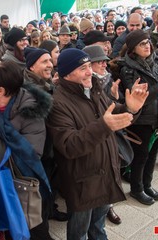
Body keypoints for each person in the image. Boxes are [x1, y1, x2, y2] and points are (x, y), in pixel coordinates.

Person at [46, 48, 148, 240]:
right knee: (80, 231)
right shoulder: (57, 103)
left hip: (106, 171)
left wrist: (130, 108)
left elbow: (111, 113)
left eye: (88, 66)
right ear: (67, 73)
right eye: (83, 68)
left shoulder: (93, 88)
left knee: (98, 225)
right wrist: (103, 126)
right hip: (83, 182)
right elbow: (69, 145)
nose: (89, 72)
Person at [0, 61, 53, 240]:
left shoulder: (31, 111)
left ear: (1, 91)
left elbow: (30, 158)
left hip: (25, 185)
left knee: (32, 230)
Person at [83, 45, 122, 225]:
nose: (104, 65)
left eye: (104, 61)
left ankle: (108, 207)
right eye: (98, 62)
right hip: (93, 139)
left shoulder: (107, 79)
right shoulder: (85, 84)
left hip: (109, 136)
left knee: (110, 173)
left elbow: (113, 108)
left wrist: (116, 97)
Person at [119, 29, 158, 205]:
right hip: (142, 120)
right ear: (133, 48)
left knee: (152, 154)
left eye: (148, 41)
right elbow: (140, 96)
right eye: (142, 43)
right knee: (141, 156)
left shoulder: (154, 61)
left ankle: (147, 184)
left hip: (156, 117)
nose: (147, 46)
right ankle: (137, 188)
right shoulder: (127, 69)